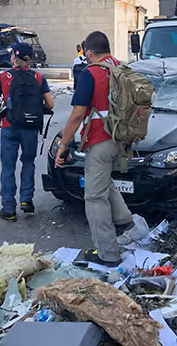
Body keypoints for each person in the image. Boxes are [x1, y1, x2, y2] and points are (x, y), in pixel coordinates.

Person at [55, 31, 134, 266]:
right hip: (120, 137)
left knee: (94, 197)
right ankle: (125, 221)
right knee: (102, 179)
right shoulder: (121, 68)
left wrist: (63, 145)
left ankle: (107, 254)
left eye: (86, 54)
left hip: (100, 140)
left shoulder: (92, 73)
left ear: (89, 52)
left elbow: (78, 114)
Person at [0, 43, 54, 222]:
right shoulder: (38, 78)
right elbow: (50, 104)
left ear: (14, 57)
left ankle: (8, 209)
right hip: (30, 128)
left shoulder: (3, 77)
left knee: (8, 168)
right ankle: (26, 200)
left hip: (9, 126)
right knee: (28, 162)